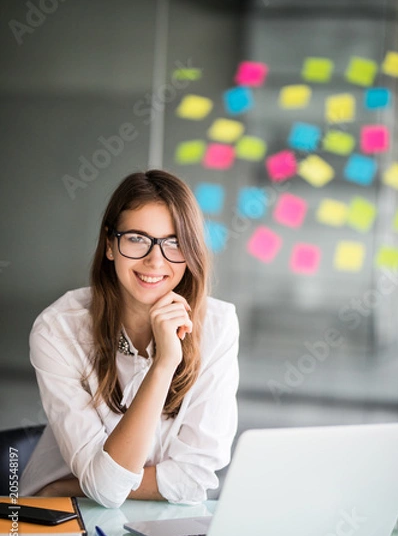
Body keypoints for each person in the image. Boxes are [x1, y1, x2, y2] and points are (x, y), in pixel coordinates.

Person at [20, 170, 239, 508]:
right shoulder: (59, 329)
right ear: (110, 245)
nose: (155, 260)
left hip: (151, 520)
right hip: (60, 520)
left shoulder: (218, 326)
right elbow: (107, 490)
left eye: (174, 242)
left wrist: (70, 485)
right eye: (137, 238)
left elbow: (195, 479)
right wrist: (164, 364)